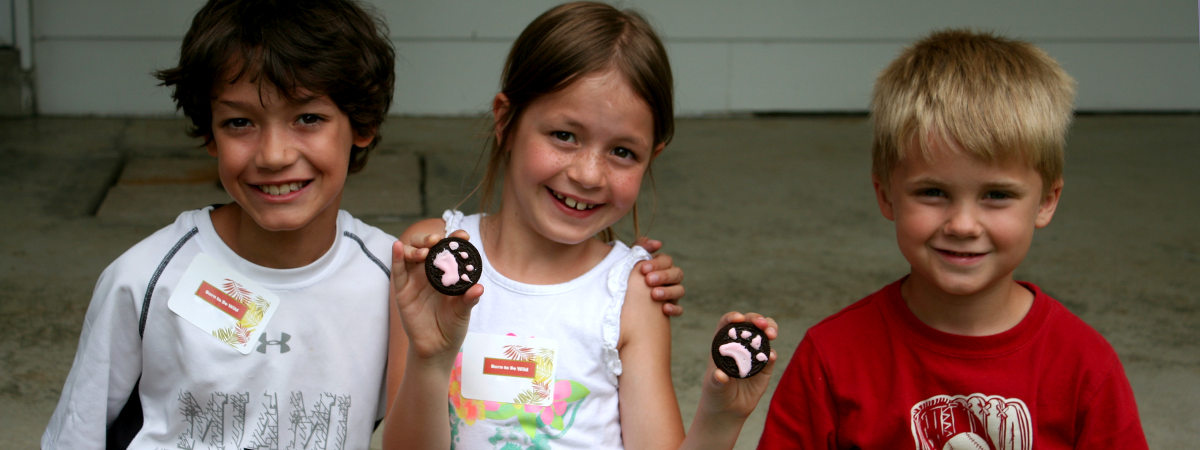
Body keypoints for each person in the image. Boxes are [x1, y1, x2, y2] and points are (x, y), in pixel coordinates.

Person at [40, 1, 685, 449]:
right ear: (208, 130)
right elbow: (78, 433)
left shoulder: (397, 270)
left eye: (308, 118)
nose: (272, 155)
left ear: (363, 126)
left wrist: (624, 277)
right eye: (240, 121)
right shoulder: (145, 278)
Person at [383, 3, 779, 450]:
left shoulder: (631, 295)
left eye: (623, 152)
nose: (589, 175)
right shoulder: (432, 257)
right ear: (505, 122)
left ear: (653, 157)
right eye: (565, 136)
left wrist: (720, 417)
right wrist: (431, 360)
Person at [758, 29, 1148, 449]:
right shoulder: (832, 359)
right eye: (933, 192)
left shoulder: (1084, 366)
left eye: (996, 195)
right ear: (887, 195)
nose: (963, 225)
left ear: (1046, 202)